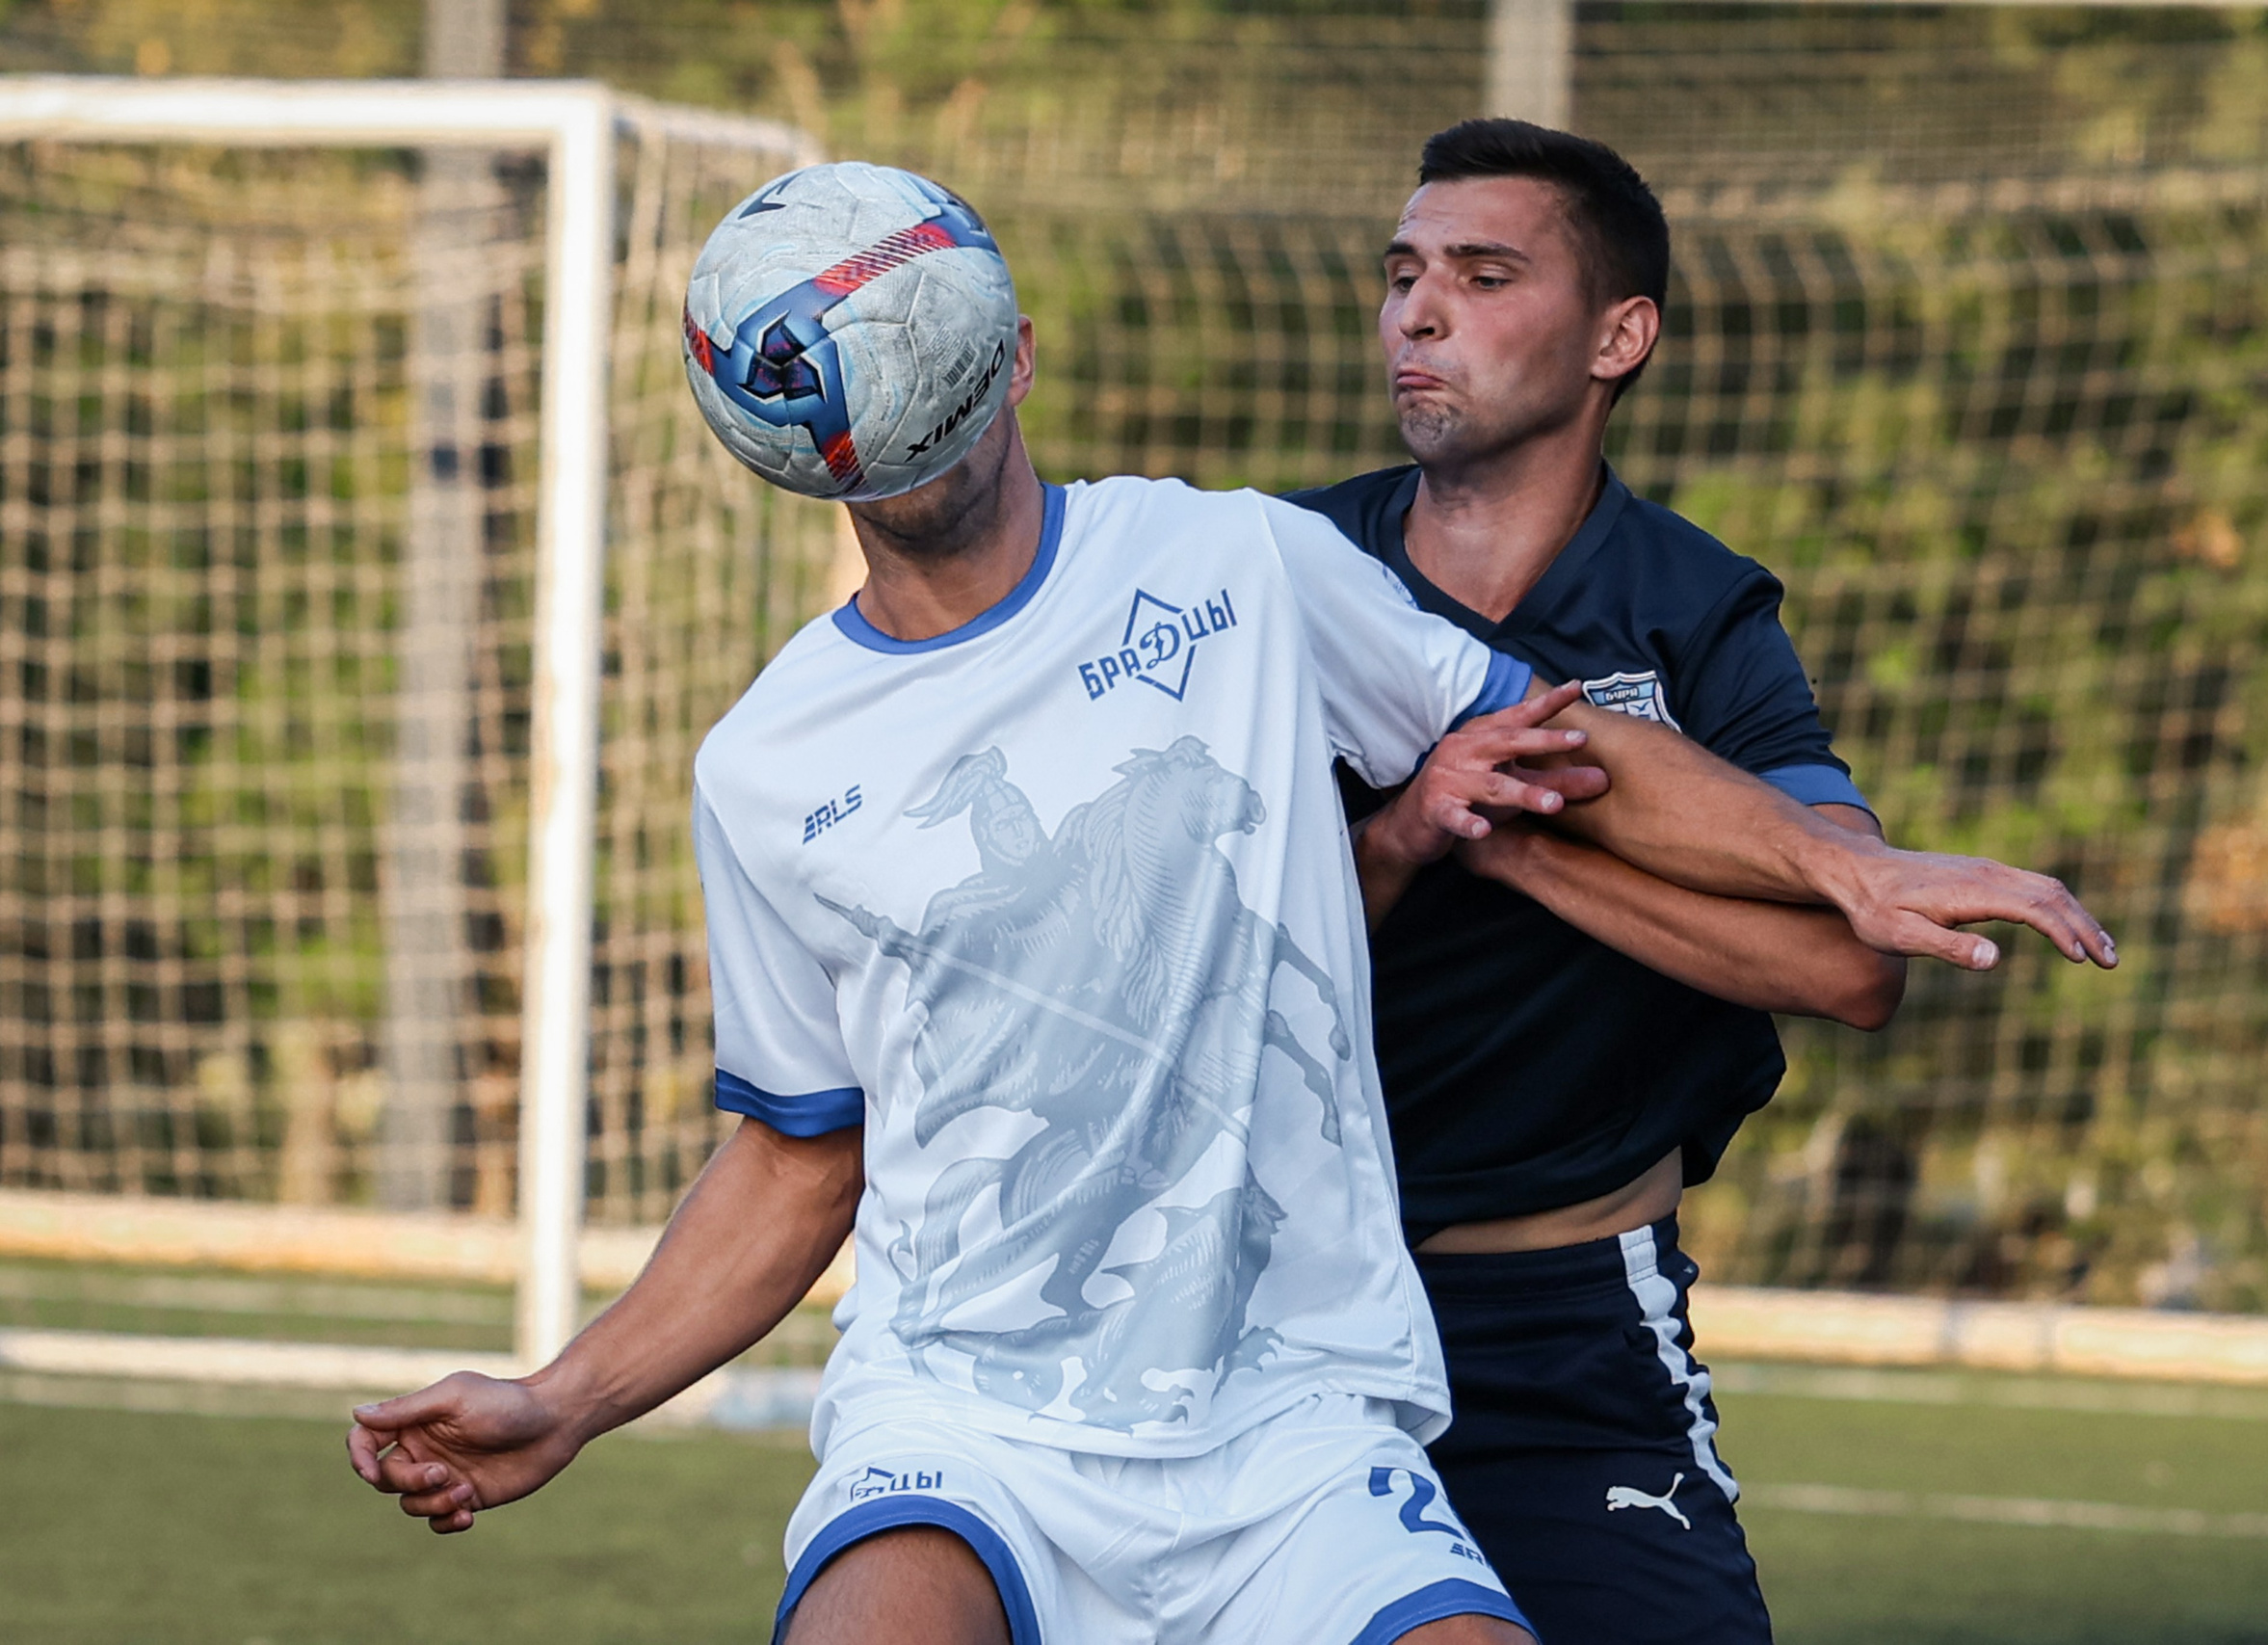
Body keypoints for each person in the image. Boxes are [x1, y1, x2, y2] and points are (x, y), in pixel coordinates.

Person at [345, 164, 2112, 1645]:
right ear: (776, 438)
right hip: (966, 1411)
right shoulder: (767, 764)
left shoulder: (1237, 567)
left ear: (1020, 356)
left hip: (1290, 1406)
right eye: (1406, 273)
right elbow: (802, 1150)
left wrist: (1845, 859)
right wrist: (564, 1397)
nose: (1422, 306)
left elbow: (1540, 740)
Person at [1295, 119, 2101, 1643]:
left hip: (1562, 1328)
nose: (1417, 311)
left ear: (1621, 335)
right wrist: (1407, 834)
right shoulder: (1279, 572)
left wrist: (1525, 837)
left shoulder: (1697, 612)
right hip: (1278, 1309)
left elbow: (1848, 958)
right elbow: (1207, 934)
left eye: (1480, 273)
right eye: (1402, 274)